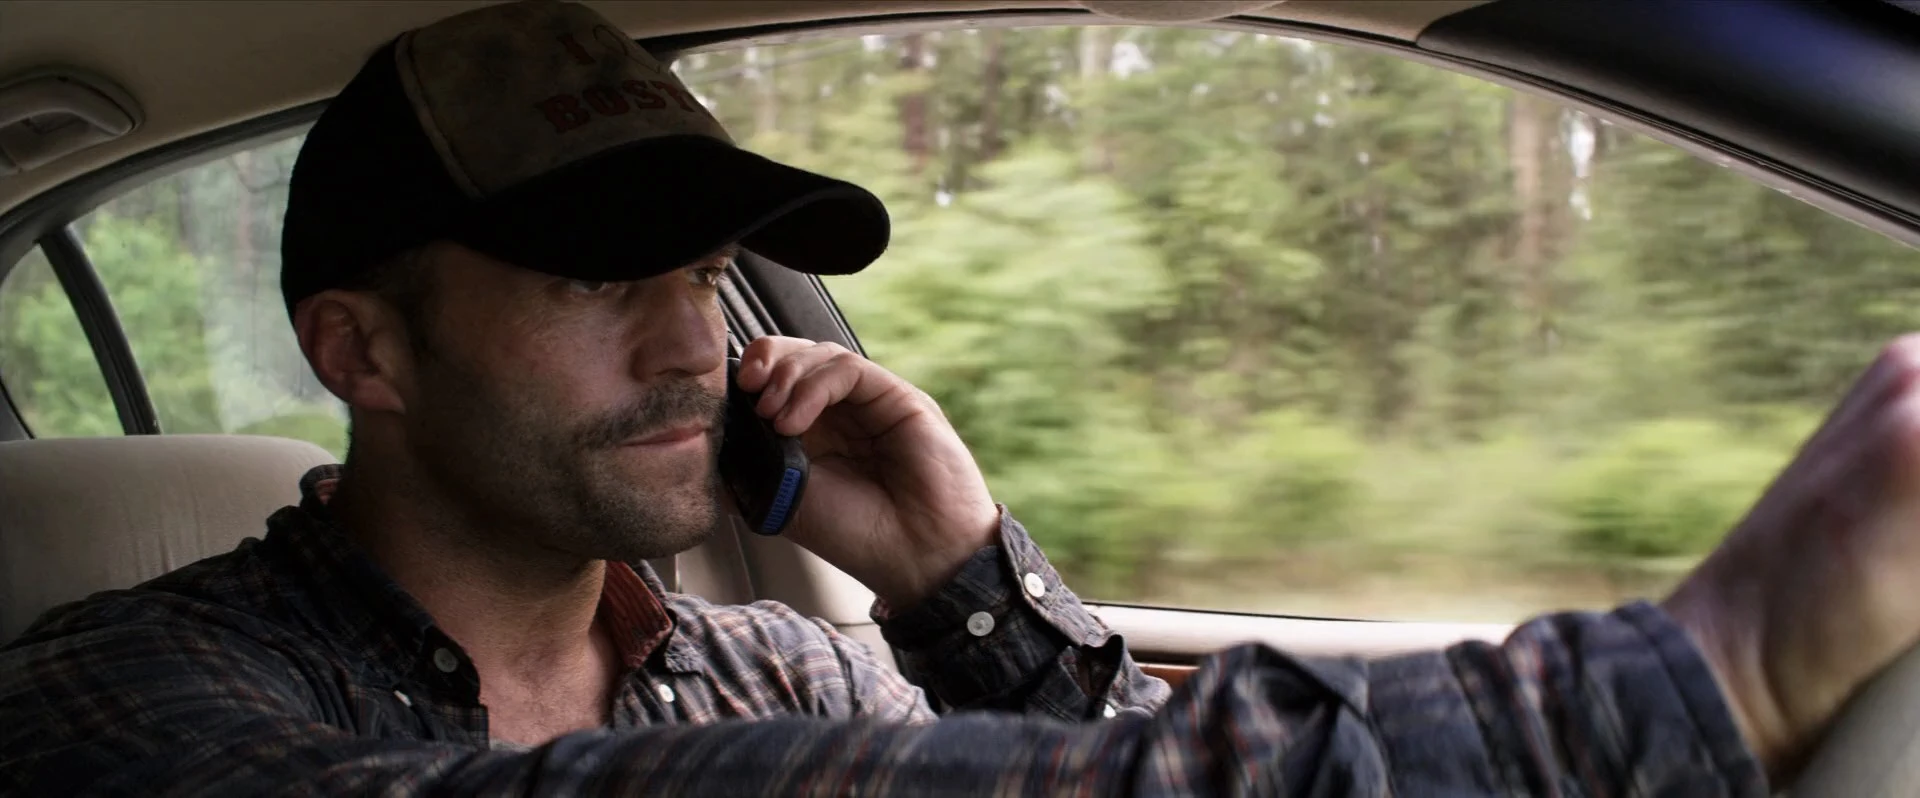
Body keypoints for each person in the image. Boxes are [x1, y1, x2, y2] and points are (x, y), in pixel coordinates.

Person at [0, 1, 1916, 795]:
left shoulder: (778, 663)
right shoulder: (114, 694)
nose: (691, 342)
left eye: (702, 271)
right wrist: (1688, 676)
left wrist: (962, 580)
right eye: (597, 275)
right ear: (363, 353)